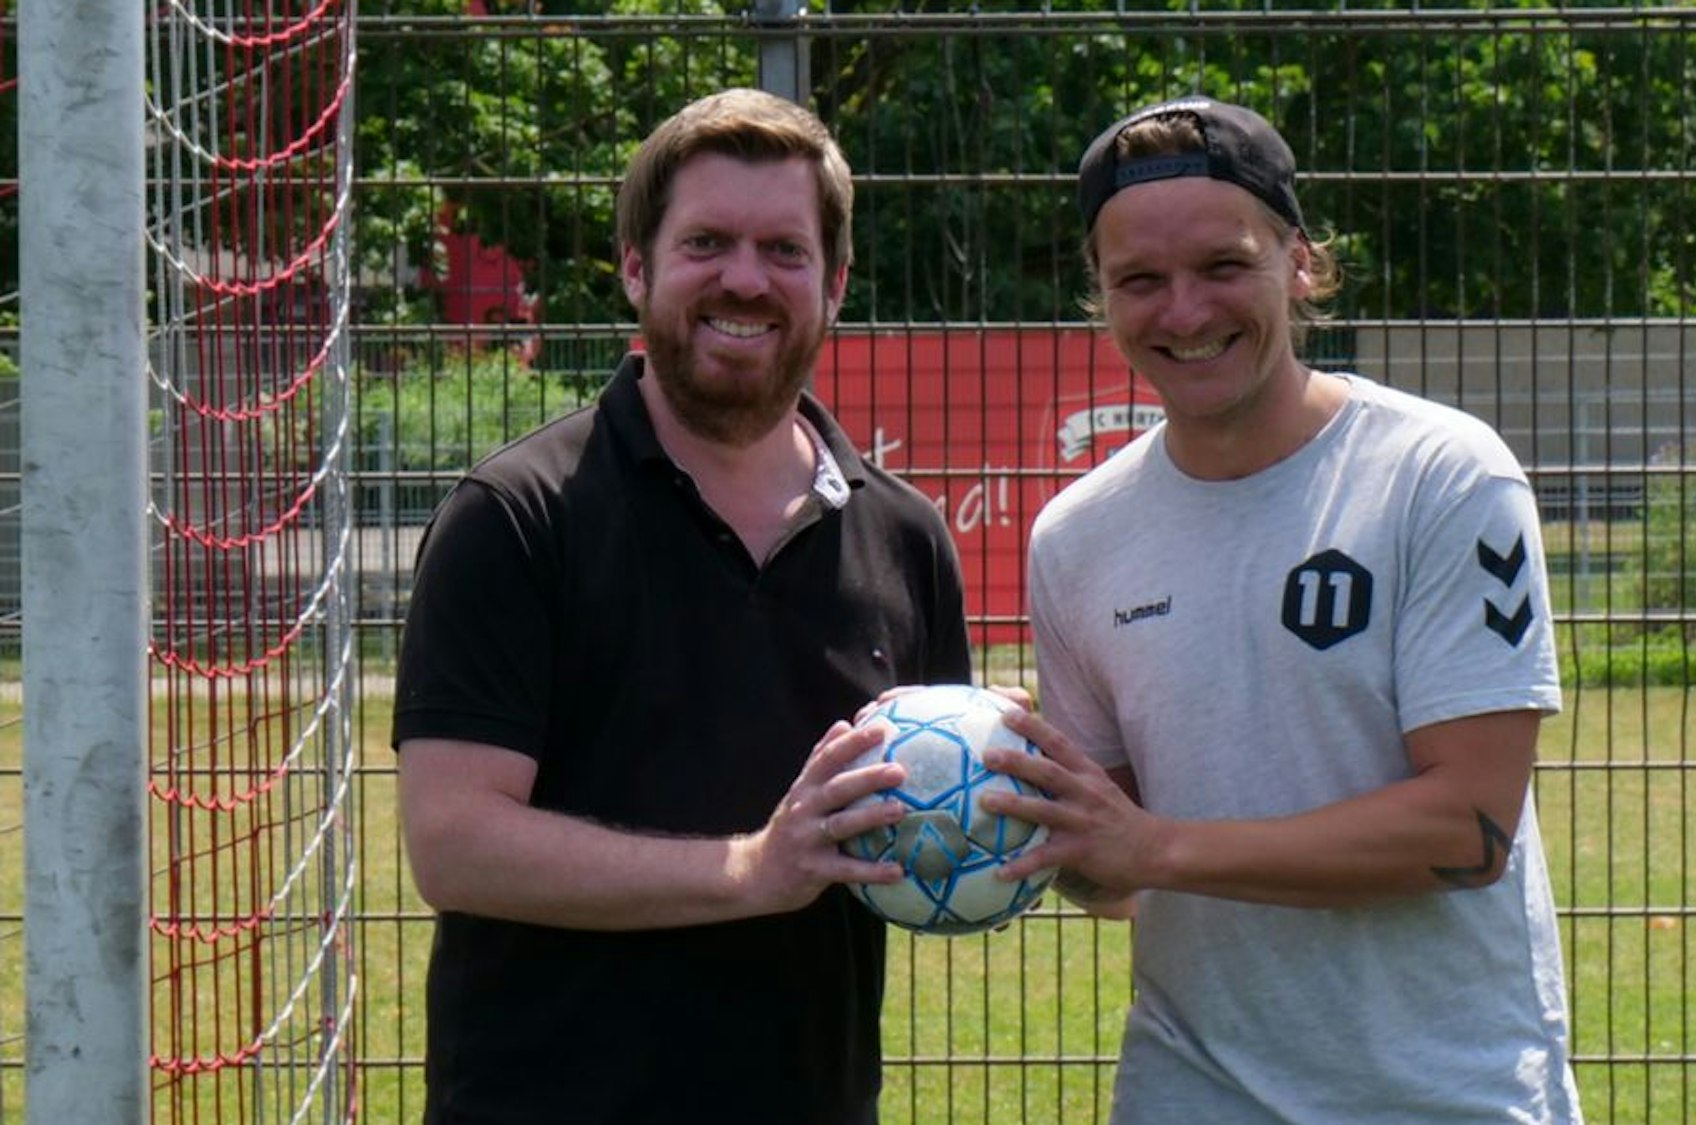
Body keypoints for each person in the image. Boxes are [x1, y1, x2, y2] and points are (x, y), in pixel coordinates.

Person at [982, 97, 1584, 1123]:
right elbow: (1114, 874)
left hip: (1443, 1096)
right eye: (1139, 280)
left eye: (1222, 266)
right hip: (1190, 1091)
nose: (1182, 312)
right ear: (1101, 296)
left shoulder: (1436, 475)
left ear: (1298, 262)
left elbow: (1468, 826)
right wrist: (1023, 793)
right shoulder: (1075, 536)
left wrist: (1153, 847)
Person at [393, 87, 972, 1124]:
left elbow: (921, 821)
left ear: (834, 283)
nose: (744, 280)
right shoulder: (518, 515)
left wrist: (1002, 826)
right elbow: (454, 843)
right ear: (634, 265)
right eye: (705, 242)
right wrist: (749, 870)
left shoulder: (904, 536)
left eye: (783, 251)